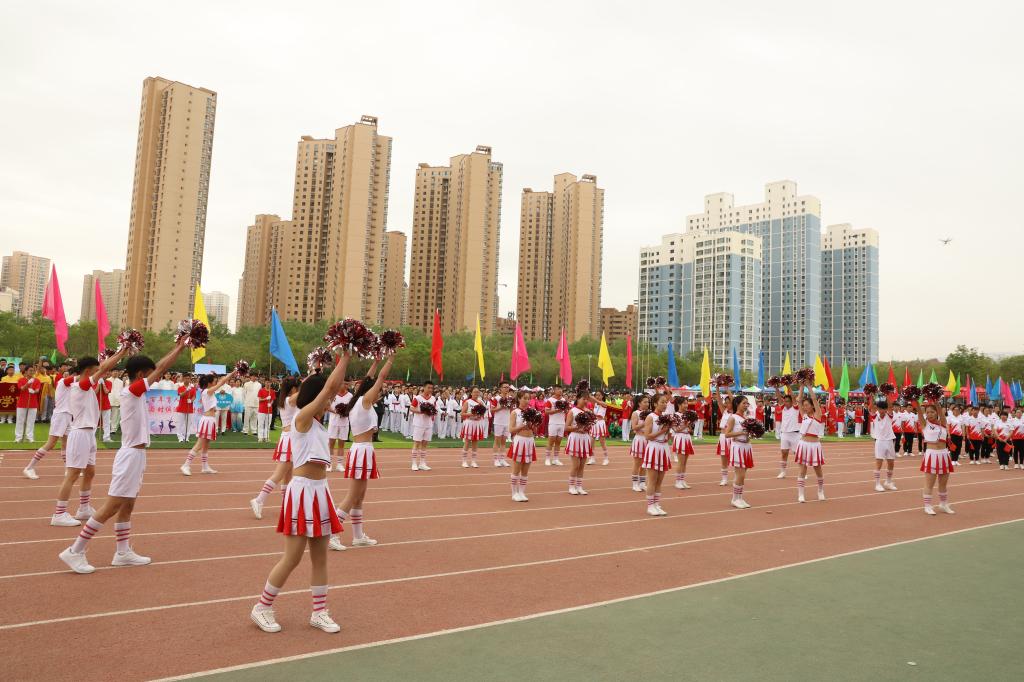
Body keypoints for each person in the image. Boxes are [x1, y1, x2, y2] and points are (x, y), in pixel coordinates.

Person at [57, 340, 187, 574]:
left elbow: (157, 368)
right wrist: (179, 348)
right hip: (129, 456)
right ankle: (75, 550)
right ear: (141, 375)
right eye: (150, 375)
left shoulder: (135, 392)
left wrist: (176, 347)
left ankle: (123, 552)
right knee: (112, 506)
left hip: (137, 455)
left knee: (128, 505)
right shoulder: (131, 392)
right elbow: (161, 368)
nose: (155, 378)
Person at [249, 350, 350, 634]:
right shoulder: (301, 418)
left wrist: (340, 361)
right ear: (316, 397)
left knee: (320, 557)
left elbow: (330, 388)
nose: (330, 403)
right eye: (326, 399)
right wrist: (346, 354)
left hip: (320, 492)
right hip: (302, 492)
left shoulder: (316, 422)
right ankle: (262, 607)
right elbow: (329, 387)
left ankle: (319, 612)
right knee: (292, 557)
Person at [51, 349, 128, 527]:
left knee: (90, 472)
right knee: (72, 474)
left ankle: (84, 508)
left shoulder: (83, 384)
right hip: (80, 434)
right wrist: (122, 352)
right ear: (87, 371)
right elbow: (104, 368)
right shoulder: (81, 385)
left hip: (89, 434)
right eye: (95, 370)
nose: (100, 373)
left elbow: (103, 368)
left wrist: (118, 354)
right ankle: (59, 514)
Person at [329, 354, 396, 552]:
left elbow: (369, 379)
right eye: (378, 391)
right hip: (362, 450)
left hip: (363, 450)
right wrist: (390, 360)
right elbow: (380, 378)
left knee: (360, 496)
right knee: (352, 495)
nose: (380, 394)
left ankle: (358, 536)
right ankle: (332, 533)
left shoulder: (358, 400)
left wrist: (376, 361)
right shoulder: (365, 401)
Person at [250, 376, 301, 519]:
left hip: (290, 438)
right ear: (293, 389)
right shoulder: (289, 400)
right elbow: (302, 393)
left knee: (288, 475)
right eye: (297, 387)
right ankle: (259, 500)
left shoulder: (286, 399)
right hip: (290, 439)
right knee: (279, 474)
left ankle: (286, 505)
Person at [23, 360, 74, 479]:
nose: (66, 374)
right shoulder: (62, 382)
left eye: (68, 372)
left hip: (68, 415)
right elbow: (77, 379)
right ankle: (29, 468)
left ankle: (68, 469)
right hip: (60, 415)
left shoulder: (72, 385)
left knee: (66, 443)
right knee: (51, 443)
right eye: (65, 372)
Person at [180, 371, 237, 476]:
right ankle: (186, 465)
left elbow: (221, 382)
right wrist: (234, 371)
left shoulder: (209, 392)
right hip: (207, 420)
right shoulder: (207, 391)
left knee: (206, 445)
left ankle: (205, 466)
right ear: (210, 383)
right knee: (199, 445)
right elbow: (223, 381)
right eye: (215, 381)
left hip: (211, 420)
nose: (216, 383)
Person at [917, 401, 954, 515]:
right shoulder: (924, 424)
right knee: (929, 483)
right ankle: (927, 506)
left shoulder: (943, 423)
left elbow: (941, 411)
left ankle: (943, 504)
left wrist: (935, 400)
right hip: (931, 455)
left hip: (944, 454)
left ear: (937, 412)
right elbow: (918, 410)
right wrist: (914, 400)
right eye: (927, 412)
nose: (930, 414)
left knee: (943, 483)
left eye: (932, 412)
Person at [792, 384, 826, 503]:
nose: (805, 407)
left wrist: (809, 386)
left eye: (807, 405)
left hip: (815, 445)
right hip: (803, 444)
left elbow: (814, 399)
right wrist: (802, 385)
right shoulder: (804, 415)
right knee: (802, 469)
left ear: (812, 406)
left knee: (818, 469)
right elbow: (798, 400)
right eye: (804, 405)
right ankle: (801, 494)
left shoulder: (818, 415)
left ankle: (820, 491)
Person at [642, 393, 672, 515]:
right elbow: (647, 436)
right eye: (662, 402)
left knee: (659, 480)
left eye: (665, 402)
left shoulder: (666, 417)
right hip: (654, 448)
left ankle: (657, 504)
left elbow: (667, 436)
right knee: (652, 480)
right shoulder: (650, 417)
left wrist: (668, 432)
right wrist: (662, 431)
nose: (665, 404)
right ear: (655, 404)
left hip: (664, 448)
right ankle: (650, 506)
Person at [722, 395, 754, 509]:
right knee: (740, 474)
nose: (746, 405)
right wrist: (741, 433)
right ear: (737, 404)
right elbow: (727, 434)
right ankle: (735, 499)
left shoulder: (746, 418)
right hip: (738, 447)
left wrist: (752, 433)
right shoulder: (733, 418)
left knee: (742, 475)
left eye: (747, 403)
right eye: (743, 403)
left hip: (746, 446)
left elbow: (747, 433)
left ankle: (740, 498)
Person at [507, 391, 537, 502]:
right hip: (519, 441)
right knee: (517, 469)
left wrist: (533, 425)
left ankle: (522, 492)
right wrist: (522, 427)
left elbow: (535, 430)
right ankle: (514, 493)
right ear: (519, 399)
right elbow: (511, 430)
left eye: (528, 398)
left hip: (530, 441)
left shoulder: (533, 412)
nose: (527, 400)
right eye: (524, 398)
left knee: (525, 470)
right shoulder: (515, 412)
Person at [565, 393, 594, 495]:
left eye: (586, 399)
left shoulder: (588, 412)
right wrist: (577, 428)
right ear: (578, 399)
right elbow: (566, 427)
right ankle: (571, 487)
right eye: (583, 399)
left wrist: (586, 427)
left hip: (585, 438)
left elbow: (590, 425)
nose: (585, 401)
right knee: (575, 465)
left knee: (582, 465)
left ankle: (579, 486)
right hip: (575, 438)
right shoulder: (572, 411)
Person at [867, 397, 898, 492]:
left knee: (891, 463)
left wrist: (887, 395)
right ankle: (877, 484)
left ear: (886, 409)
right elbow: (871, 408)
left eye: (884, 409)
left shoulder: (889, 415)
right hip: (880, 441)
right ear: (877, 408)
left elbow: (890, 406)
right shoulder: (875, 416)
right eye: (880, 409)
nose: (882, 411)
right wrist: (871, 396)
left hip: (889, 441)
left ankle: (888, 482)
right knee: (879, 463)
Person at [410, 381, 439, 471]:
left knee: (425, 443)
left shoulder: (433, 398)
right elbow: (411, 408)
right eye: (428, 387)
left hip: (428, 424)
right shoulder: (418, 398)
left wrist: (432, 412)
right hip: (419, 424)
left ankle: (422, 463)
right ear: (424, 387)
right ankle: (414, 463)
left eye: (431, 388)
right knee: (417, 443)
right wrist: (421, 411)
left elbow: (435, 409)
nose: (430, 389)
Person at [326, 382, 353, 472]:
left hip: (344, 423)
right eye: (344, 384)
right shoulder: (332, 394)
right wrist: (336, 411)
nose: (345, 386)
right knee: (331, 443)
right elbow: (327, 406)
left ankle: (339, 464)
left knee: (341, 444)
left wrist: (346, 412)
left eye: (347, 384)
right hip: (333, 422)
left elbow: (352, 408)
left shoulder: (350, 396)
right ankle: (329, 464)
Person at [459, 387, 488, 468]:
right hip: (469, 423)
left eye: (477, 392)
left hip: (477, 424)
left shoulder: (480, 402)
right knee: (467, 442)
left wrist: (479, 415)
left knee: (475, 442)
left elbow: (483, 413)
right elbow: (462, 414)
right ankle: (464, 461)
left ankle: (473, 461)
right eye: (474, 392)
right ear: (471, 393)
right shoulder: (467, 402)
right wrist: (472, 414)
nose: (476, 394)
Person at [775, 386, 799, 479]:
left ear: (792, 401)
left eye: (787, 401)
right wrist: (776, 388)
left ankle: (803, 472)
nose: (785, 403)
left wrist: (788, 386)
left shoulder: (795, 408)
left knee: (797, 454)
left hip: (795, 434)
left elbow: (793, 396)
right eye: (785, 401)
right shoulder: (783, 408)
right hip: (784, 433)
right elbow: (779, 397)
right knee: (784, 453)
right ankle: (783, 472)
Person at [671, 398, 695, 489]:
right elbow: (675, 429)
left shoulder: (688, 414)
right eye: (684, 403)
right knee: (681, 462)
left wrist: (690, 427)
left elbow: (690, 429)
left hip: (687, 437)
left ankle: (682, 480)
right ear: (679, 405)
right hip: (680, 438)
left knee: (684, 462)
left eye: (686, 403)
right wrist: (685, 425)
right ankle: (678, 482)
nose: (686, 405)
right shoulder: (675, 415)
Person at [15, 363, 42, 443]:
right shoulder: (21, 380)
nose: (32, 372)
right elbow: (22, 388)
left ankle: (29, 437)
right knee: (20, 421)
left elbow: (37, 390)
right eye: (30, 370)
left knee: (31, 421)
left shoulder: (37, 380)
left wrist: (33, 391)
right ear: (26, 371)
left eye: (33, 371)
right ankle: (18, 437)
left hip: (33, 404)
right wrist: (28, 383)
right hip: (22, 403)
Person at [543, 386, 568, 467]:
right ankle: (547, 459)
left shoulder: (564, 400)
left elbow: (566, 411)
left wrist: (565, 409)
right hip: (553, 423)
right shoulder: (550, 400)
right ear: (554, 390)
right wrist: (557, 410)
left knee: (558, 442)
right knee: (551, 441)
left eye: (561, 389)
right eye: (558, 389)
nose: (560, 390)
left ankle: (556, 459)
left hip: (562, 423)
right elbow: (546, 412)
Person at [629, 395, 650, 491]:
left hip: (648, 440)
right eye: (645, 402)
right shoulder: (635, 413)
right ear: (639, 403)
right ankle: (635, 484)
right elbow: (634, 427)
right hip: (639, 440)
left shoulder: (650, 413)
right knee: (637, 463)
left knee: (645, 463)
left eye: (648, 402)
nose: (647, 404)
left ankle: (642, 483)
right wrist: (644, 423)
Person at [489, 382, 513, 468]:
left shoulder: (510, 398)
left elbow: (512, 409)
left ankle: (502, 459)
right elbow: (492, 410)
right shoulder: (496, 398)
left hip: (507, 421)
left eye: (508, 387)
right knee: (497, 441)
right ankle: (496, 459)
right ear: (500, 389)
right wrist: (501, 407)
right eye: (505, 387)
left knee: (503, 442)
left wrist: (509, 406)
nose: (506, 389)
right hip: (498, 422)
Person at [589, 390, 614, 466]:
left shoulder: (604, 404)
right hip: (594, 423)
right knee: (591, 441)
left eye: (599, 395)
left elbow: (596, 401)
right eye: (596, 395)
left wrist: (593, 398)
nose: (597, 396)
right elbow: (590, 399)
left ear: (602, 396)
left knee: (602, 442)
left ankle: (606, 458)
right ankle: (592, 458)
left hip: (600, 423)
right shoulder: (595, 404)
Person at [715, 389, 734, 487]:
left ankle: (737, 477)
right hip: (723, 437)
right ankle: (724, 479)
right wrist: (717, 388)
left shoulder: (735, 413)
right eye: (726, 402)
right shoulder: (724, 411)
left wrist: (727, 388)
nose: (727, 404)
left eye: (728, 402)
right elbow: (718, 400)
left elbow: (733, 399)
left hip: (731, 437)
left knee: (734, 458)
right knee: (723, 459)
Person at [174, 375, 195, 443]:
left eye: (188, 378)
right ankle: (180, 437)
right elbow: (180, 395)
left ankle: (186, 437)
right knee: (180, 423)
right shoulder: (180, 388)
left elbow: (194, 396)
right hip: (181, 408)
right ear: (183, 379)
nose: (187, 379)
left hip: (189, 408)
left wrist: (191, 400)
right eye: (186, 378)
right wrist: (186, 390)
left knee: (188, 424)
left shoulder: (193, 388)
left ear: (190, 379)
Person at [96, 375, 113, 443]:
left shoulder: (109, 382)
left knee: (107, 422)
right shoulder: (95, 382)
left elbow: (106, 391)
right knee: (94, 422)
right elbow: (95, 392)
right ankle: (91, 437)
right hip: (96, 405)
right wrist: (98, 384)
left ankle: (106, 438)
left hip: (106, 404)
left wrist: (103, 384)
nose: (104, 375)